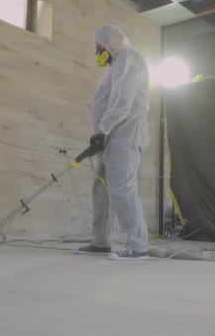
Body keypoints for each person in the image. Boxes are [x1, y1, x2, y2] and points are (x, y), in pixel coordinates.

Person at [75, 25, 150, 261]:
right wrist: (102, 133)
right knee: (101, 191)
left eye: (98, 47)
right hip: (109, 138)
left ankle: (138, 247)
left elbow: (122, 102)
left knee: (122, 189)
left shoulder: (129, 60)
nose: (97, 52)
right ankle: (100, 242)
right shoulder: (114, 67)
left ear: (110, 44)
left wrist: (103, 130)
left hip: (125, 135)